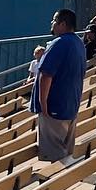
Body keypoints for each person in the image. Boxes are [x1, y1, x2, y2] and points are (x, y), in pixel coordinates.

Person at [31, 8, 86, 164]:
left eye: (54, 20)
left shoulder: (59, 43)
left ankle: (58, 186)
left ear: (62, 24)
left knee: (55, 157)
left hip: (54, 108)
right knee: (66, 154)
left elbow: (46, 75)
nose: (52, 23)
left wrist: (43, 104)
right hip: (70, 106)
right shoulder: (78, 43)